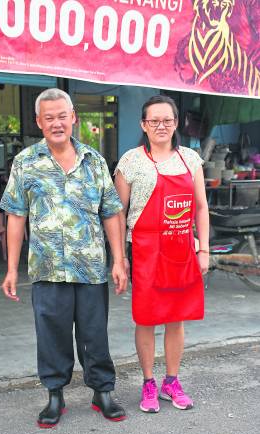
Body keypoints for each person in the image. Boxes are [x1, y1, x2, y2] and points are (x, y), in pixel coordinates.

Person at [0, 88, 128, 428]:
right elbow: (16, 216)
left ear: (74, 118)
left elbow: (111, 213)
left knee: (94, 333)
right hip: (47, 267)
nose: (57, 123)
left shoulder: (94, 161)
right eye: (49, 117)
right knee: (51, 333)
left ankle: (102, 392)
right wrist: (11, 268)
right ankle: (54, 394)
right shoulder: (26, 162)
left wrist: (119, 260)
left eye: (62, 116)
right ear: (38, 122)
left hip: (91, 268)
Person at [114, 95, 209, 413]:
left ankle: (172, 380)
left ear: (176, 123)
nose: (160, 126)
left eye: (166, 120)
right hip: (143, 251)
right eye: (153, 121)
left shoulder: (191, 159)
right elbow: (118, 213)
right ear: (143, 125)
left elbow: (201, 207)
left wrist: (204, 249)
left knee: (176, 318)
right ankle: (148, 382)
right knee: (146, 317)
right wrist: (119, 257)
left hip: (181, 250)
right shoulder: (130, 161)